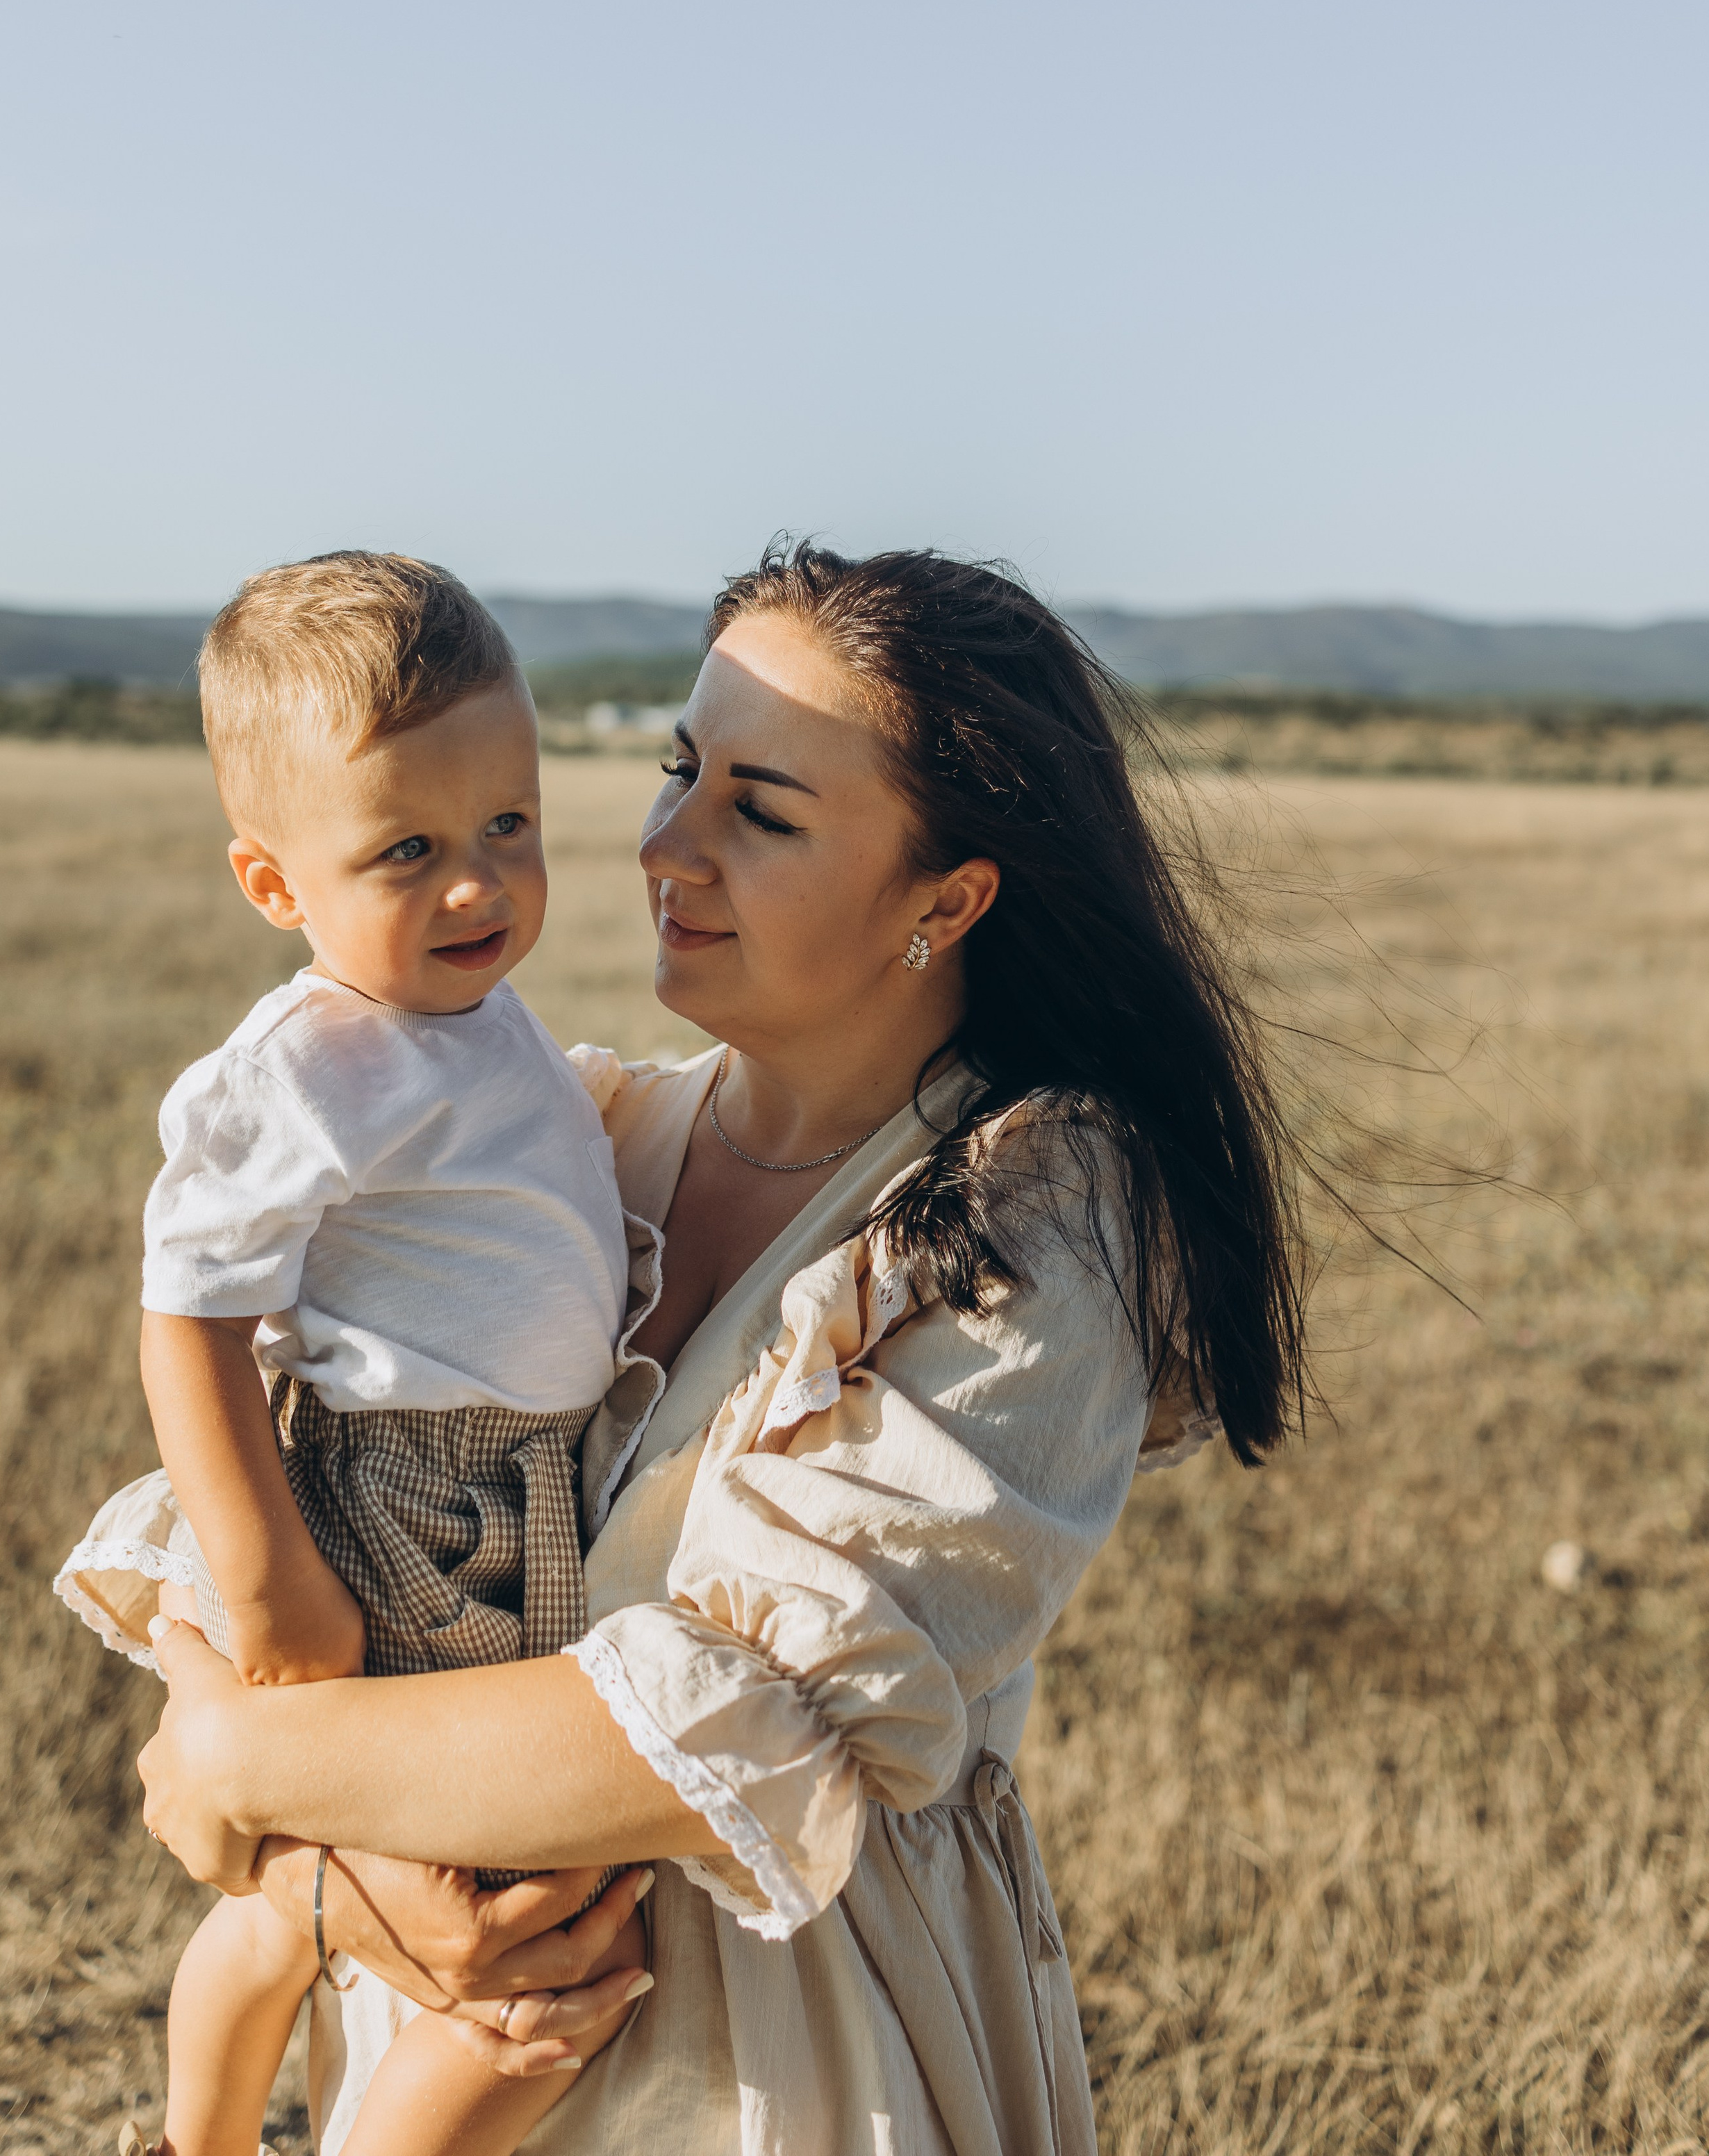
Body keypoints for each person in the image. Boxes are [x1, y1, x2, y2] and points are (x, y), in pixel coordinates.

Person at [137, 542, 1310, 2156]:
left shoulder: (1031, 1215)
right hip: (445, 2010)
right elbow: (274, 1490)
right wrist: (319, 1881)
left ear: (944, 902)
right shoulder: (581, 1140)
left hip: (783, 2063)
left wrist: (245, 1757)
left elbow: (735, 1724)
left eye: (759, 812)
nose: (662, 845)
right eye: (680, 769)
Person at [57, 552, 647, 2156]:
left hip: (516, 1499)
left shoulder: (471, 1018)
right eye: (408, 851)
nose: (478, 886)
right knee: (523, 1932)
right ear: (274, 886)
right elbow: (188, 1313)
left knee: (313, 1889)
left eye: (508, 825)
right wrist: (267, 1581)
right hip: (411, 1507)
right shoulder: (310, 1063)